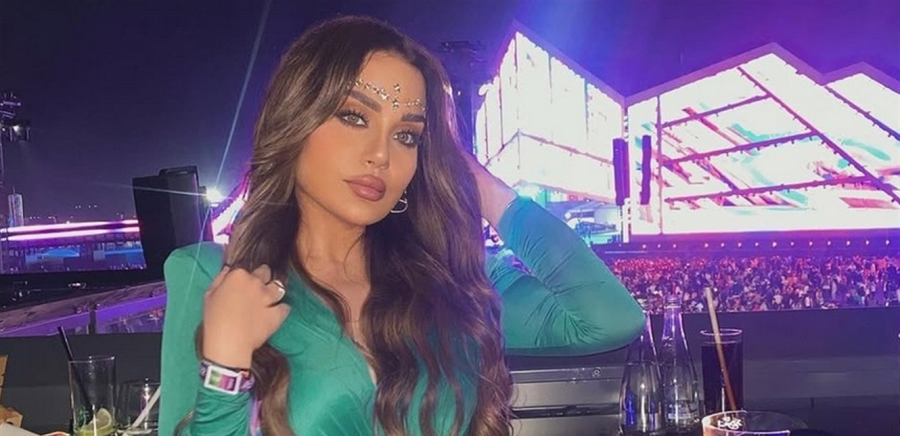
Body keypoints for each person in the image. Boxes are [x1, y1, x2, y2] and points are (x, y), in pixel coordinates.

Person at [160, 15, 644, 436]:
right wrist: (225, 368)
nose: (380, 154)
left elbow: (609, 319)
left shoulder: (451, 279)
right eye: (354, 116)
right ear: (295, 120)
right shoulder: (215, 277)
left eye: (407, 136)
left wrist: (481, 186)